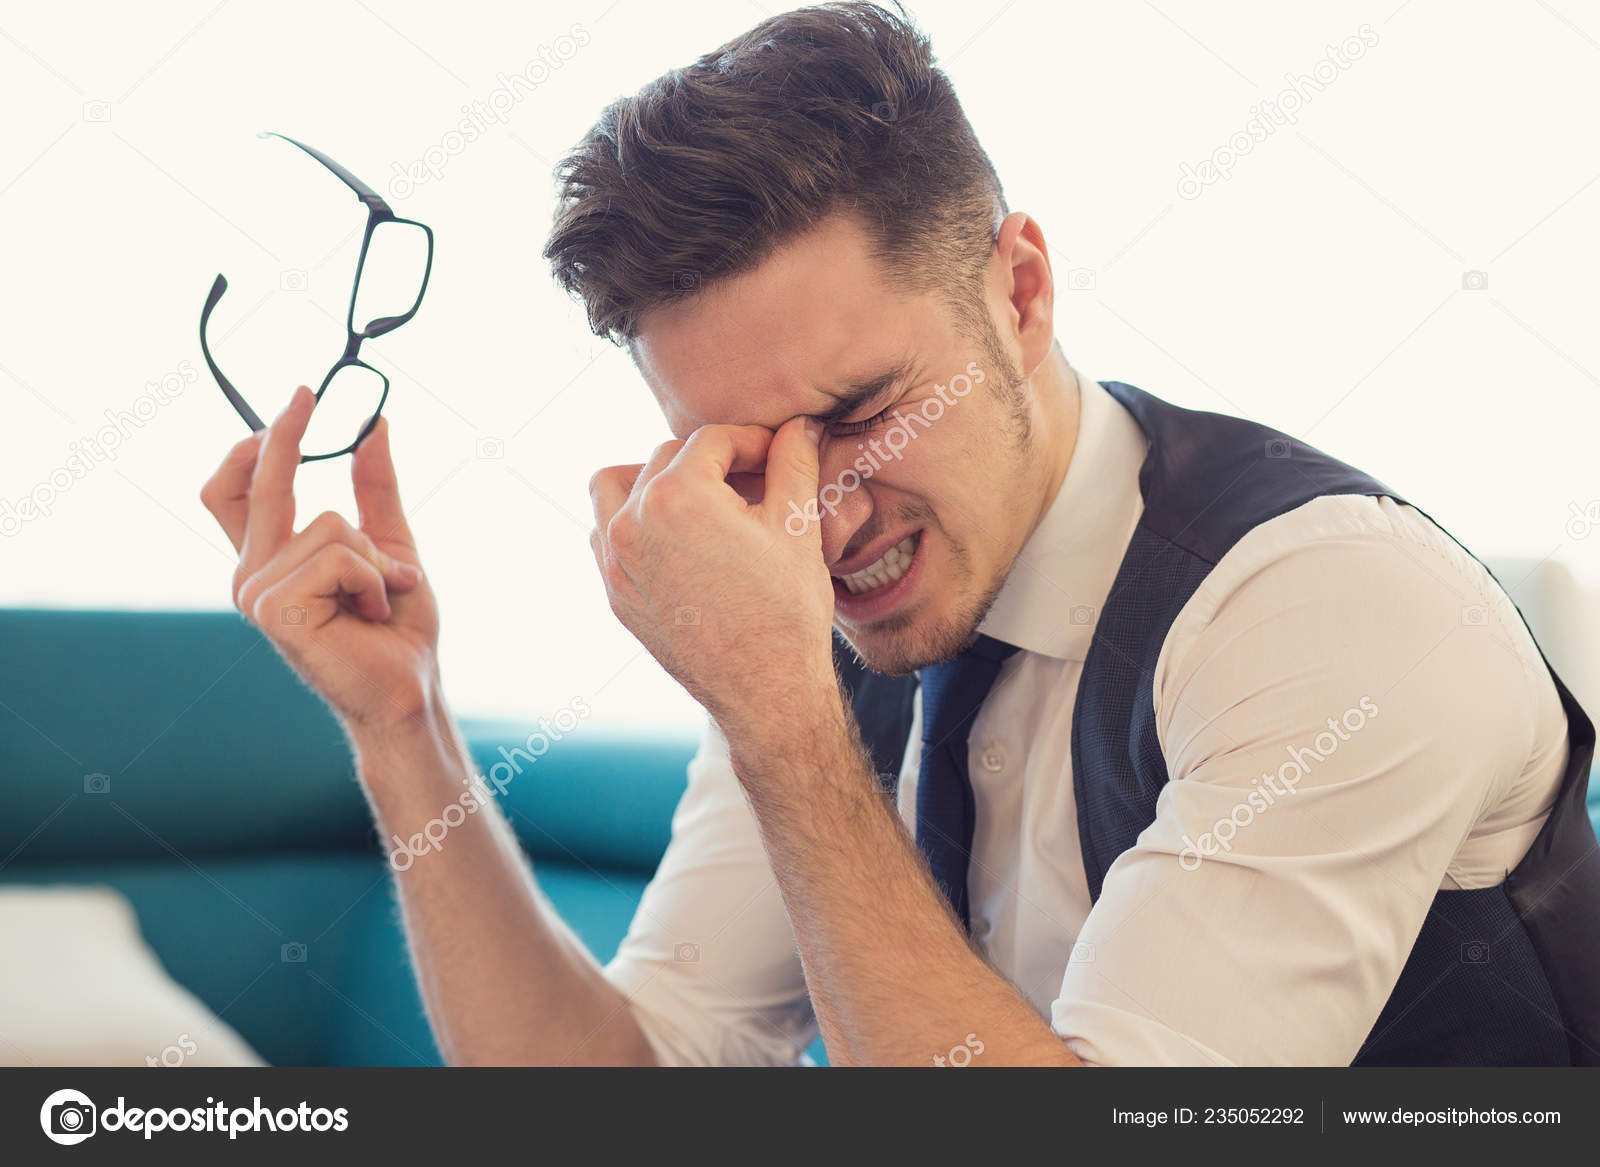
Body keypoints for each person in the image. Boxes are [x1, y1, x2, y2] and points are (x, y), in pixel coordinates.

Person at [199, 2, 1599, 1065]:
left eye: (865, 410)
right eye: (745, 453)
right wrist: (401, 725)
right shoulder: (807, 639)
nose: (820, 515)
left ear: (1021, 291)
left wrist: (782, 720)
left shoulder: (1321, 603)